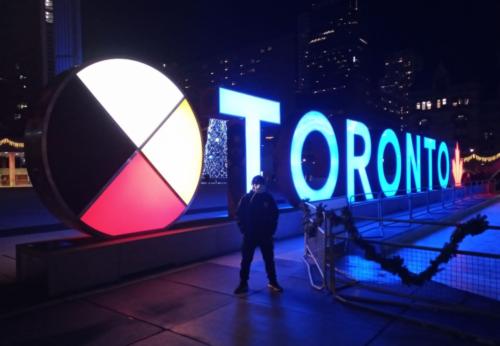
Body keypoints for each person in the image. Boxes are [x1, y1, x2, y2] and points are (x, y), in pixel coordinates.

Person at [234, 175, 283, 294]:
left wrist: (271, 231)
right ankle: (243, 283)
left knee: (269, 260)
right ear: (252, 185)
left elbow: (275, 215)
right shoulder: (246, 198)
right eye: (256, 184)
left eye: (261, 184)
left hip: (265, 236)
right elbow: (239, 215)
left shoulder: (268, 198)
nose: (259, 186)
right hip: (250, 236)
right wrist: (244, 231)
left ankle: (272, 281)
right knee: (246, 260)